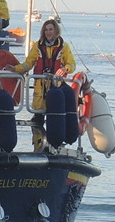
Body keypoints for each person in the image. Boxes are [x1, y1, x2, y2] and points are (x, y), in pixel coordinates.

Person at [16, 17, 79, 151]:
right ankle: (38, 146)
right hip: (41, 89)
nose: (48, 32)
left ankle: (55, 145)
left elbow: (72, 64)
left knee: (56, 117)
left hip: (56, 87)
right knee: (37, 118)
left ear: (56, 31)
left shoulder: (64, 47)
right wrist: (15, 69)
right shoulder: (37, 47)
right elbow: (28, 64)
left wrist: (65, 69)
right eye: (46, 30)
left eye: (50, 29)